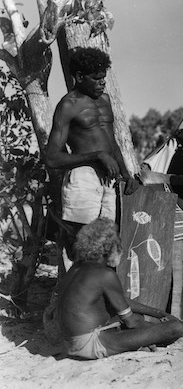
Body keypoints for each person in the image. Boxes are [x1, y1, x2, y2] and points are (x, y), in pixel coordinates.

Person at [45, 47, 139, 262]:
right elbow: (52, 157)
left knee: (108, 246)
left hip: (109, 181)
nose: (102, 83)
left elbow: (112, 143)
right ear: (79, 77)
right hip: (83, 181)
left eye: (103, 78)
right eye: (96, 79)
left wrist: (126, 175)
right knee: (83, 247)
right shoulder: (68, 105)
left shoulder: (105, 100)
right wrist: (95, 156)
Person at [57, 217, 183, 360]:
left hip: (69, 343)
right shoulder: (105, 274)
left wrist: (159, 313)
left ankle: (137, 343)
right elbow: (131, 322)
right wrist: (153, 331)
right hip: (90, 344)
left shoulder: (76, 268)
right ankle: (139, 344)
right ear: (110, 247)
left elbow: (121, 301)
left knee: (138, 319)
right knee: (176, 328)